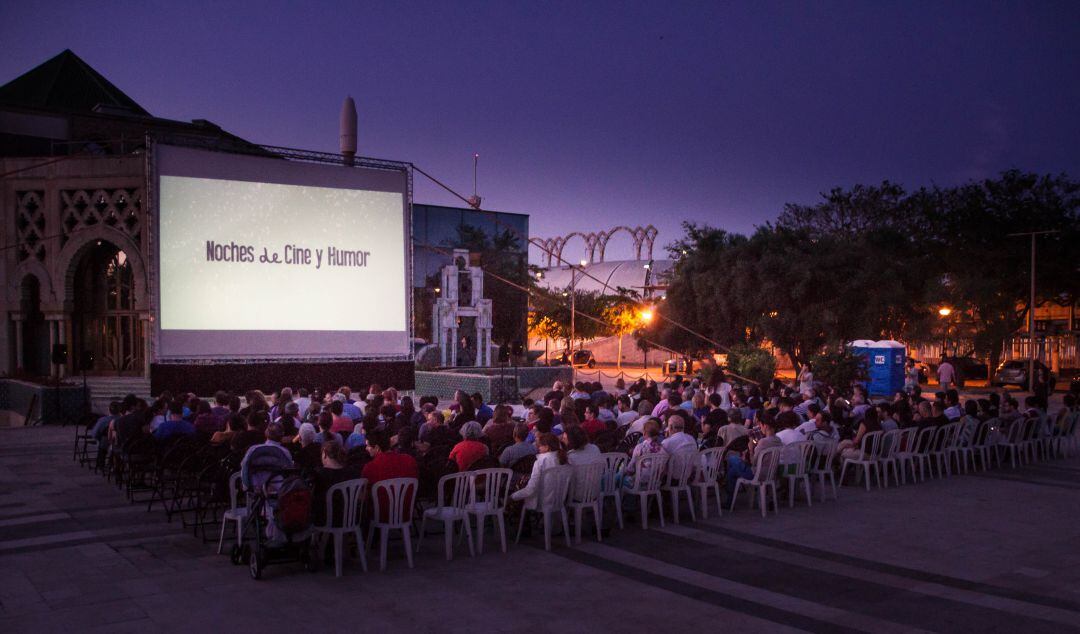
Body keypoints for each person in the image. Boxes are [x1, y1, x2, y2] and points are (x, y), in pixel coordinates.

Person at [361, 430, 419, 521]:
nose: (366, 448)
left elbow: (364, 496)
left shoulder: (370, 467)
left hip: (380, 516)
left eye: (368, 446)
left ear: (377, 448)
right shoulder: (410, 460)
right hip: (406, 513)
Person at [510, 433, 567, 511]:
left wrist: (513, 496)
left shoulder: (540, 461)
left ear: (547, 447)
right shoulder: (565, 459)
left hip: (541, 501)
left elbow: (531, 489)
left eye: (540, 446)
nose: (538, 447)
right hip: (560, 500)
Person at [310, 440, 362, 527]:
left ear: (324, 454)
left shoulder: (319, 474)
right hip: (351, 519)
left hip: (325, 520)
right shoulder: (353, 472)